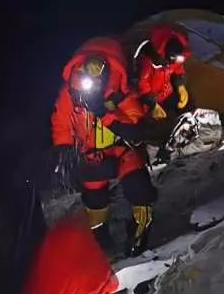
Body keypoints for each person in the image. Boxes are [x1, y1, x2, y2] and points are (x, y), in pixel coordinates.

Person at [51, 36, 157, 255]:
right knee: (94, 198)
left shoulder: (119, 94)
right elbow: (61, 124)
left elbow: (135, 126)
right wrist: (63, 151)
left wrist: (106, 114)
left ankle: (139, 231)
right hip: (91, 154)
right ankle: (100, 236)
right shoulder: (69, 95)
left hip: (121, 149)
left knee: (139, 187)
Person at [131, 22, 192, 121]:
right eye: (173, 59)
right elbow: (142, 84)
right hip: (149, 99)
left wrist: (181, 87)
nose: (174, 62)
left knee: (187, 107)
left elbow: (178, 69)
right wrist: (153, 105)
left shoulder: (176, 54)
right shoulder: (148, 59)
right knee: (164, 123)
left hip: (166, 92)